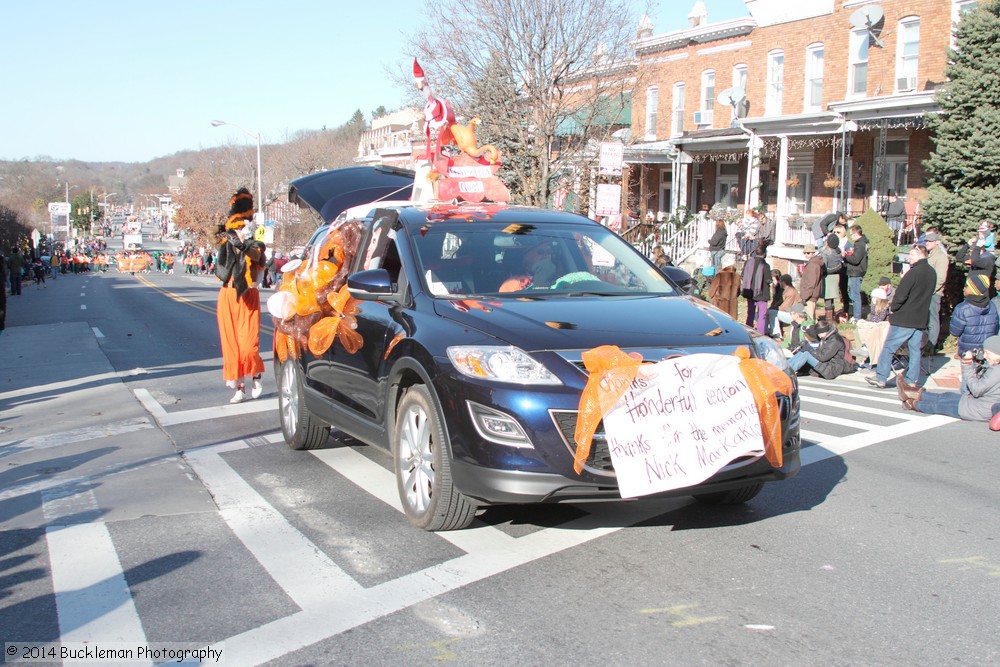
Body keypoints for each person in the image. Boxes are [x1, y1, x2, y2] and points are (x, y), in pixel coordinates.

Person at [215, 188, 267, 404]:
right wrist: (226, 235)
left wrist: (244, 244)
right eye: (237, 228)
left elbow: (259, 257)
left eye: (243, 227)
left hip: (248, 295)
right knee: (231, 345)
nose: (240, 231)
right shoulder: (227, 243)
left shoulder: (256, 242)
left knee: (247, 344)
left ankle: (255, 375)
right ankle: (240, 387)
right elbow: (221, 263)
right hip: (227, 295)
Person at [866, 244, 936, 389]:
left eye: (911, 255)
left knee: (889, 347)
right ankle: (911, 380)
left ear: (919, 255)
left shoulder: (913, 273)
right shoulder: (932, 273)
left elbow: (901, 295)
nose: (909, 257)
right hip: (921, 317)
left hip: (905, 317)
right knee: (915, 350)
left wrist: (893, 308)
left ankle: (881, 377)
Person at [897, 335, 1000, 425]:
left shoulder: (996, 371)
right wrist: (976, 364)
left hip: (977, 410)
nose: (985, 356)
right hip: (975, 403)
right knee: (946, 396)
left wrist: (967, 365)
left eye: (988, 353)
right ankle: (908, 392)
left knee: (939, 405)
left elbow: (976, 390)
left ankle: (912, 403)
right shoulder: (995, 366)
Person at [949, 274, 999, 358]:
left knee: (968, 371)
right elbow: (995, 329)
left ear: (973, 289)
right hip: (987, 352)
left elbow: (954, 332)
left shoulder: (962, 308)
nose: (964, 288)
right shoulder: (992, 306)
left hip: (968, 353)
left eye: (967, 286)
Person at [924, 229, 949, 350]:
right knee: (926, 320)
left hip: (934, 293)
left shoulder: (941, 257)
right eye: (927, 240)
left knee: (933, 321)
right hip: (926, 292)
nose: (927, 242)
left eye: (930, 241)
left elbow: (940, 279)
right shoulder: (929, 254)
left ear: (937, 242)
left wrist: (930, 291)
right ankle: (925, 344)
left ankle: (931, 345)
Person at [854, 286, 891, 369]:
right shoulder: (873, 307)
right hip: (874, 327)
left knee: (872, 329)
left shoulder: (884, 309)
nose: (873, 299)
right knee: (859, 327)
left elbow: (878, 320)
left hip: (881, 330)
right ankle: (862, 348)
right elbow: (871, 318)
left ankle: (865, 349)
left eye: (874, 298)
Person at [740, 245, 771, 334]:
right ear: (764, 254)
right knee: (762, 316)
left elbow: (743, 275)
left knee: (750, 314)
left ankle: (748, 331)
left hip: (749, 292)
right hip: (761, 293)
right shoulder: (765, 265)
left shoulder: (748, 263)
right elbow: (768, 280)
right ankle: (760, 332)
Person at [843, 224, 868, 322]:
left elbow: (856, 259)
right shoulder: (860, 243)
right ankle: (856, 315)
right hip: (855, 271)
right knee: (853, 293)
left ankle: (857, 317)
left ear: (856, 233)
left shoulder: (860, 244)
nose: (851, 236)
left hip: (856, 272)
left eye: (852, 234)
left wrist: (846, 256)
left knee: (855, 295)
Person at [821, 233, 844, 321]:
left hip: (827, 277)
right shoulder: (838, 252)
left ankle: (829, 319)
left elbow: (824, 267)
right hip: (835, 277)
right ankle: (832, 316)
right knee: (832, 299)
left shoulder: (826, 252)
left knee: (827, 300)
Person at [799, 243, 825, 320]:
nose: (806, 255)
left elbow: (811, 283)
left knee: (810, 318)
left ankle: (811, 331)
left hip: (810, 295)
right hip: (813, 294)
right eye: (805, 253)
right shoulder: (815, 263)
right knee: (812, 316)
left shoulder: (813, 265)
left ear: (813, 253)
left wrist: (805, 297)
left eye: (808, 253)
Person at [768, 273, 799, 338]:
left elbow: (785, 307)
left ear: (784, 282)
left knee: (771, 313)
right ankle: (768, 331)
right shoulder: (787, 290)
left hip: (794, 316)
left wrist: (773, 308)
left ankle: (776, 334)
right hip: (791, 314)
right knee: (770, 312)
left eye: (780, 282)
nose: (779, 283)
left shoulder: (791, 291)